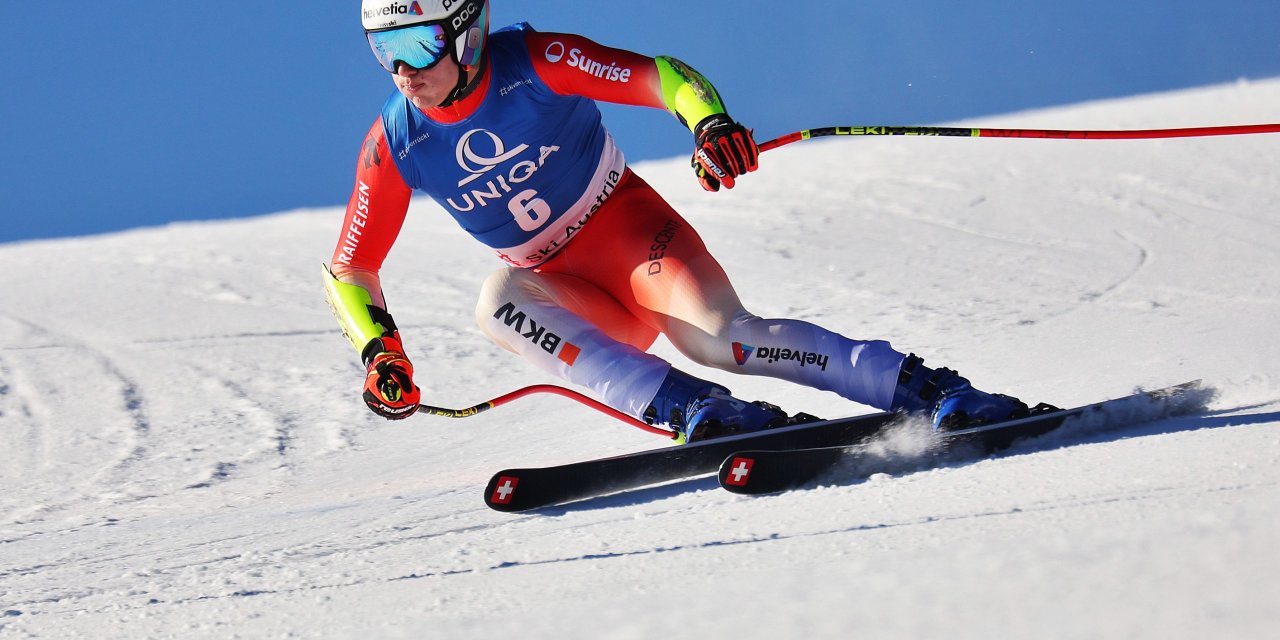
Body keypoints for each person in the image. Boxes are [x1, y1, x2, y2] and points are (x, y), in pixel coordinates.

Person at [325, 0, 1033, 443]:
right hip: (562, 287)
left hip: (631, 237)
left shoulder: (533, 61)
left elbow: (662, 75)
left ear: (467, 32)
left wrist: (709, 123)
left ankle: (932, 390)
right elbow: (351, 265)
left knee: (725, 340)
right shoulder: (397, 141)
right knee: (498, 302)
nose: (403, 72)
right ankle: (694, 412)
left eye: (419, 47)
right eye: (384, 52)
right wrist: (379, 351)